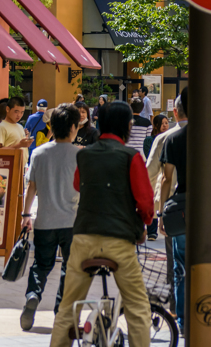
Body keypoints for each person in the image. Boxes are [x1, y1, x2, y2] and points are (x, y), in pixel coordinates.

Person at [49, 101, 153, 347]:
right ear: (126, 126)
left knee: (67, 307)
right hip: (119, 242)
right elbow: (146, 202)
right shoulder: (131, 156)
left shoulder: (84, 155)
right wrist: (144, 224)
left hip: (83, 238)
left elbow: (78, 185)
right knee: (138, 308)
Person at [19, 104, 80, 331]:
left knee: (41, 265)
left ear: (52, 127)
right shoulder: (80, 155)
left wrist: (26, 215)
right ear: (73, 127)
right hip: (72, 222)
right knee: (70, 267)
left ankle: (33, 295)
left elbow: (31, 187)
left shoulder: (38, 153)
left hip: (44, 220)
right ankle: (61, 311)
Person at [159, 88, 189, 331]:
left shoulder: (173, 138)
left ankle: (181, 318)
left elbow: (166, 179)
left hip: (181, 207)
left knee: (180, 264)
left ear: (177, 111)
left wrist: (161, 213)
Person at [0, 96, 33, 161]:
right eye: (16, 111)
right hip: (9, 168)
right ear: (7, 109)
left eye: (22, 112)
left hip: (22, 167)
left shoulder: (20, 126)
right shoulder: (1, 127)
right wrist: (19, 145)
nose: (19, 115)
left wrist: (25, 142)